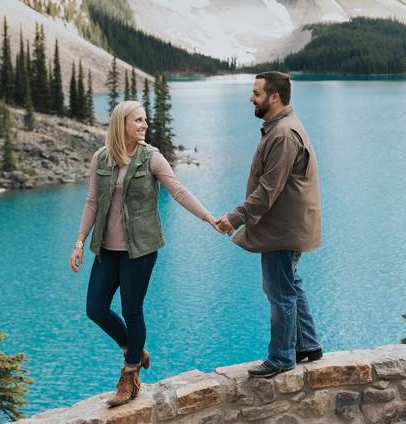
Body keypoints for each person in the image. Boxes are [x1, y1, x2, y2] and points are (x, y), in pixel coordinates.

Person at [69, 100, 220, 406]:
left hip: (140, 249)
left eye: (145, 120)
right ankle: (132, 347)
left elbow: (178, 191)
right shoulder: (101, 158)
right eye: (137, 120)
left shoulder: (151, 157)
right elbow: (91, 203)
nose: (144, 125)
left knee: (131, 310)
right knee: (95, 308)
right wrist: (79, 241)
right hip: (106, 249)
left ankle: (130, 375)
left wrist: (209, 218)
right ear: (121, 123)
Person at [216, 72, 322, 377]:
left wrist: (233, 218)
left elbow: (268, 190)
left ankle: (281, 357)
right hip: (286, 223)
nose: (251, 98)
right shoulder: (280, 128)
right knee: (288, 283)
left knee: (280, 291)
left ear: (274, 97)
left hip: (282, 227)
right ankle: (307, 345)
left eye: (256, 93)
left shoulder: (283, 135)